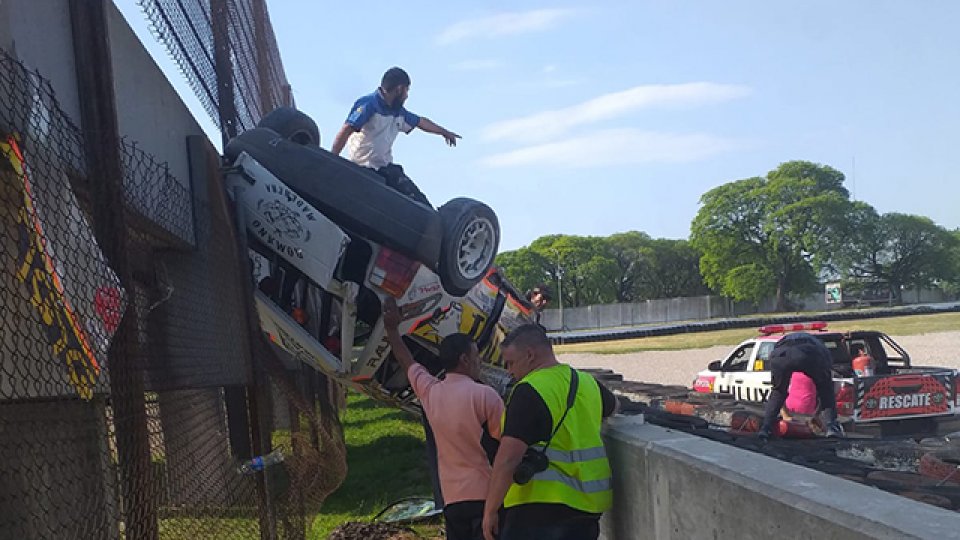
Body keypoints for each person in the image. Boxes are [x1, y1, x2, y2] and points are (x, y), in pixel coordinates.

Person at [383, 298, 504, 540]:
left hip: (452, 499)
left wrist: (391, 329)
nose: (479, 362)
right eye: (476, 356)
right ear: (464, 359)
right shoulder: (485, 395)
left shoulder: (430, 392)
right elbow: (507, 445)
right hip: (486, 496)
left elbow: (408, 362)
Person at [483, 324, 617, 540]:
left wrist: (490, 511)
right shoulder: (585, 382)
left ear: (530, 355)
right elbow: (613, 406)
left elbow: (508, 459)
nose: (509, 370)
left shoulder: (529, 390)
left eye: (511, 362)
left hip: (539, 510)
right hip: (587, 509)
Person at [330, 67, 460, 205]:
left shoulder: (399, 112)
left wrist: (444, 132)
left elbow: (421, 122)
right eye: (407, 90)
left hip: (385, 168)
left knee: (418, 200)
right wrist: (332, 158)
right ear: (399, 89)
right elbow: (346, 130)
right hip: (364, 168)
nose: (407, 96)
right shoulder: (369, 104)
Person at [758, 332, 844, 440]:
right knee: (826, 390)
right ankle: (832, 428)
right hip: (809, 354)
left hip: (781, 355)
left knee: (778, 391)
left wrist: (784, 414)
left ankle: (766, 428)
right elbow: (827, 389)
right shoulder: (822, 350)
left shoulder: (782, 342)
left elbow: (779, 390)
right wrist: (817, 415)